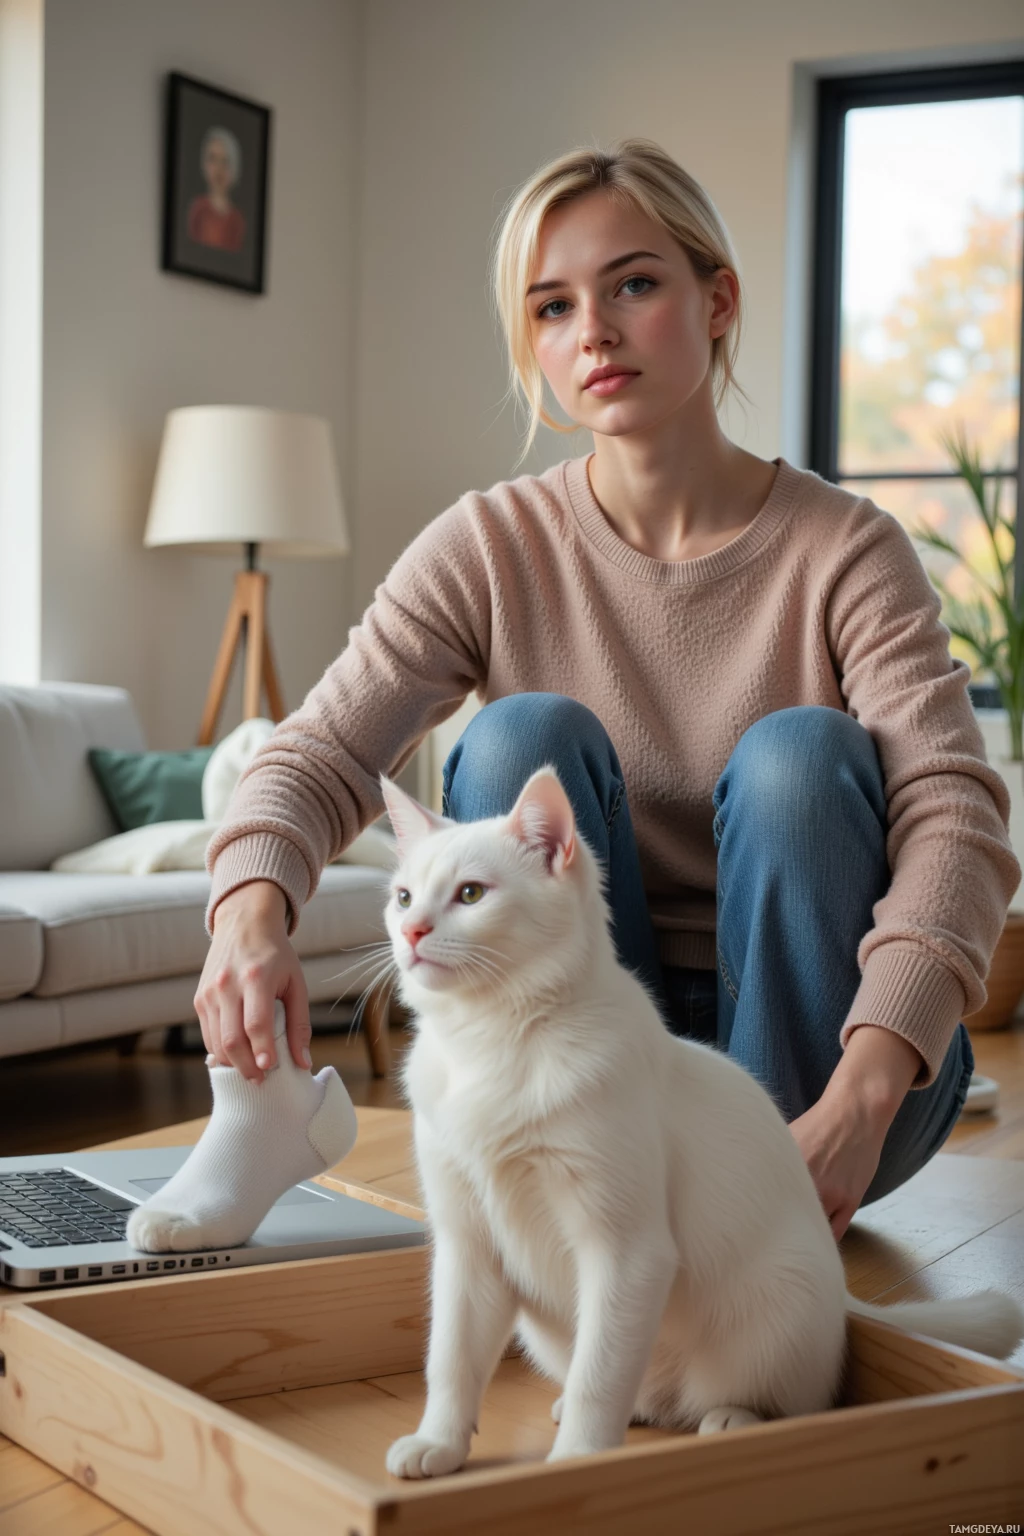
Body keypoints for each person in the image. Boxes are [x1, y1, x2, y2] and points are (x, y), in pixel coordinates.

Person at [196, 137, 1019, 1244]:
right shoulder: (491, 544)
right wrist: (246, 919)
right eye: (550, 307)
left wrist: (870, 1086)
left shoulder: (846, 549)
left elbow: (955, 818)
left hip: (838, 1071)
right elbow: (319, 754)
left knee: (798, 758)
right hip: (586, 1064)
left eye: (633, 283)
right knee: (518, 740)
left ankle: (760, 1211)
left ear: (716, 299)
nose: (592, 331)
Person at [187, 126, 246, 253]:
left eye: (224, 161)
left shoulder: (236, 219)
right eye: (213, 159)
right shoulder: (198, 208)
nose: (219, 169)